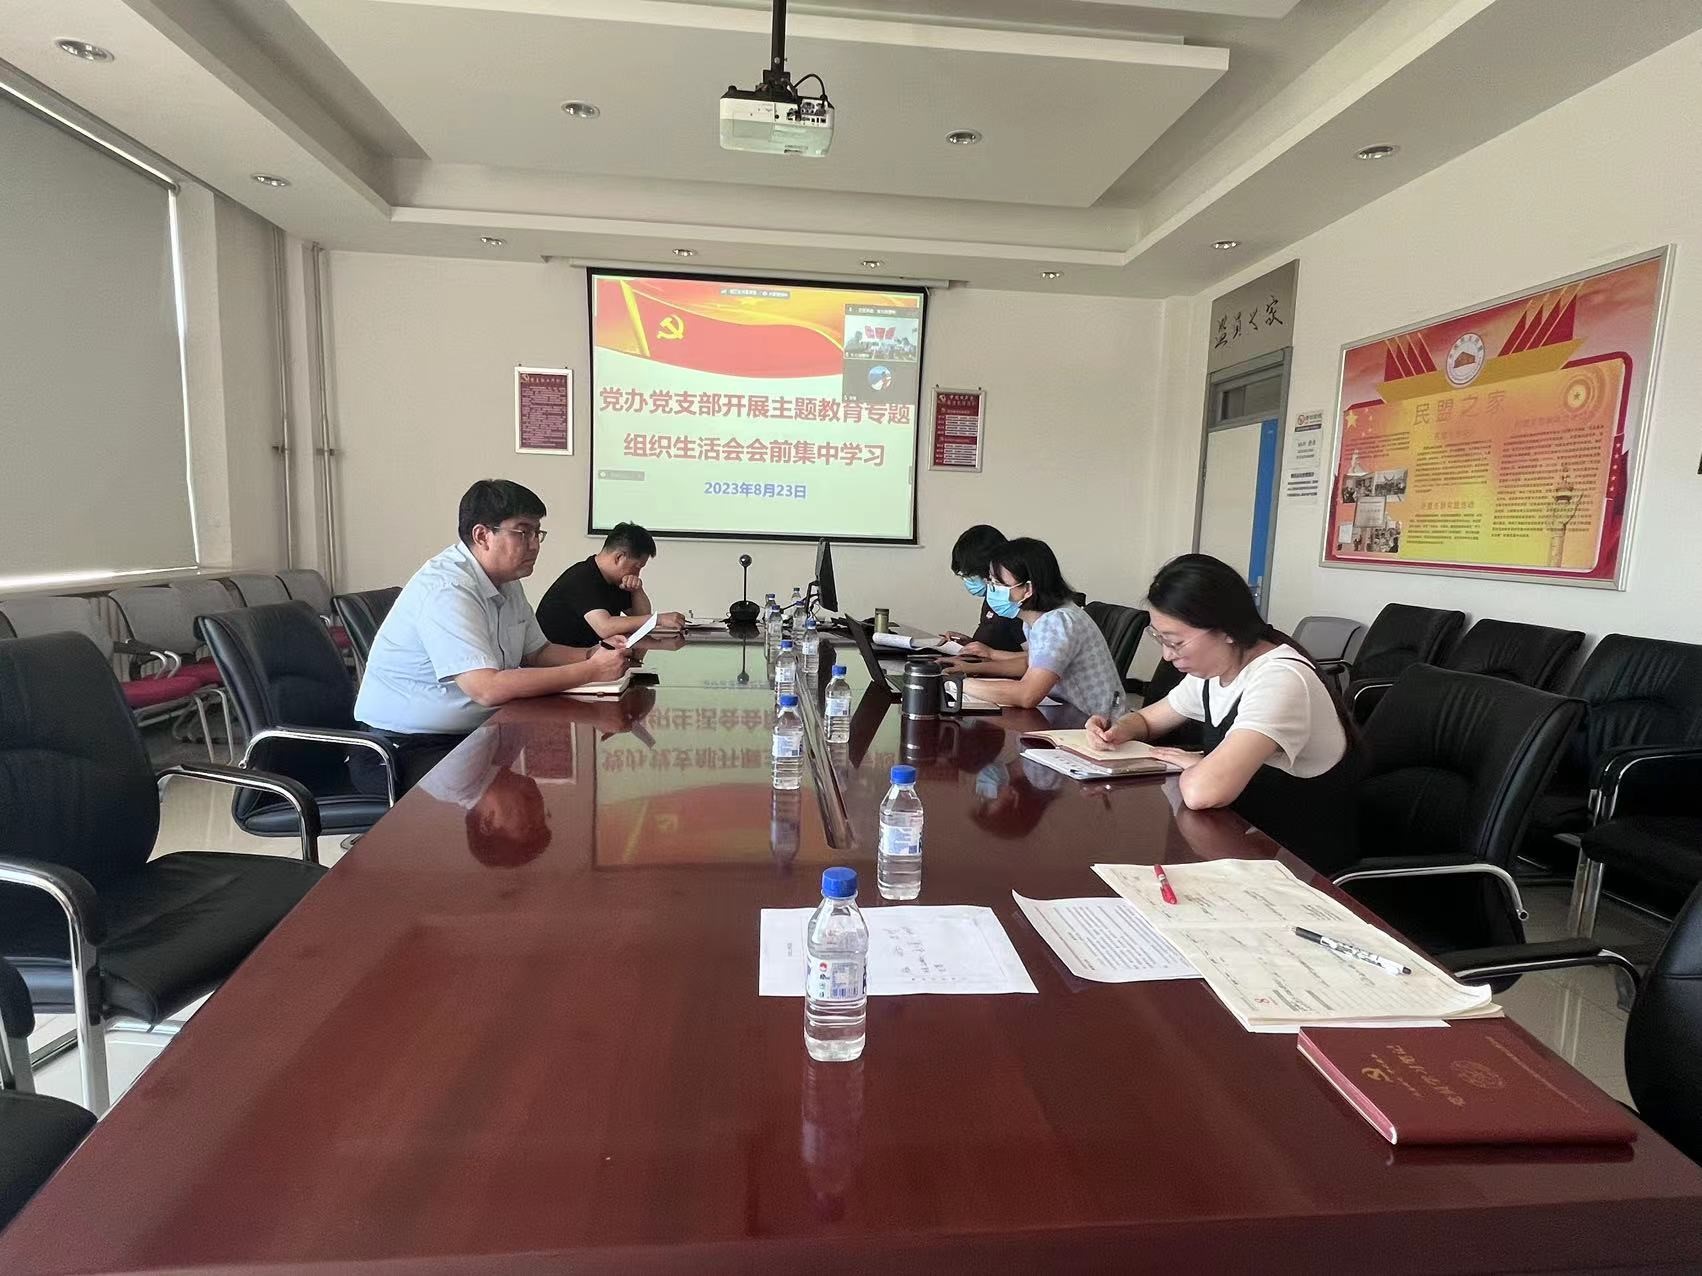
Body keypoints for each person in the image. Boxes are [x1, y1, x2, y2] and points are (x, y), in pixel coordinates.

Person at [1084, 553, 1361, 873]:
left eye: (1175, 642)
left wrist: (1200, 764)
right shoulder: (1217, 669)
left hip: (1300, 864)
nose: (1167, 655)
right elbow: (1148, 720)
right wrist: (1118, 729)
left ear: (1228, 629)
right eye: (1159, 638)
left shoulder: (1280, 679)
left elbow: (1202, 792)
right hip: (1243, 839)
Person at [351, 480, 630, 797]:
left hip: (476, 734)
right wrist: (592, 671)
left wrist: (593, 654)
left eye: (537, 533)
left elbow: (537, 652)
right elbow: (486, 688)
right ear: (482, 535)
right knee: (510, 791)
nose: (534, 545)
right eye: (523, 532)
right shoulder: (448, 589)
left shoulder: (506, 582)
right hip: (402, 749)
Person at [948, 537, 1125, 716]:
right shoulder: (1037, 619)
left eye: (998, 584)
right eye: (991, 581)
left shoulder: (1057, 622)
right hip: (1070, 715)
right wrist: (970, 668)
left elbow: (1027, 695)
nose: (991, 589)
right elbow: (1030, 664)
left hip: (1096, 724)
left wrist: (956, 684)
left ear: (1028, 589)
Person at [535, 522, 683, 648]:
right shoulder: (582, 577)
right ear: (619, 557)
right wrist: (658, 619)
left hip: (587, 658)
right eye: (637, 567)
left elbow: (641, 619)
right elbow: (605, 627)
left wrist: (637, 590)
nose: (637, 573)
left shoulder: (616, 580)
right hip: (555, 664)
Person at [942, 524, 1026, 658]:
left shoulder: (1013, 601)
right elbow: (994, 643)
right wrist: (969, 644)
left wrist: (991, 653)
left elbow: (1037, 659)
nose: (968, 580)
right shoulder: (993, 596)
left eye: (970, 574)